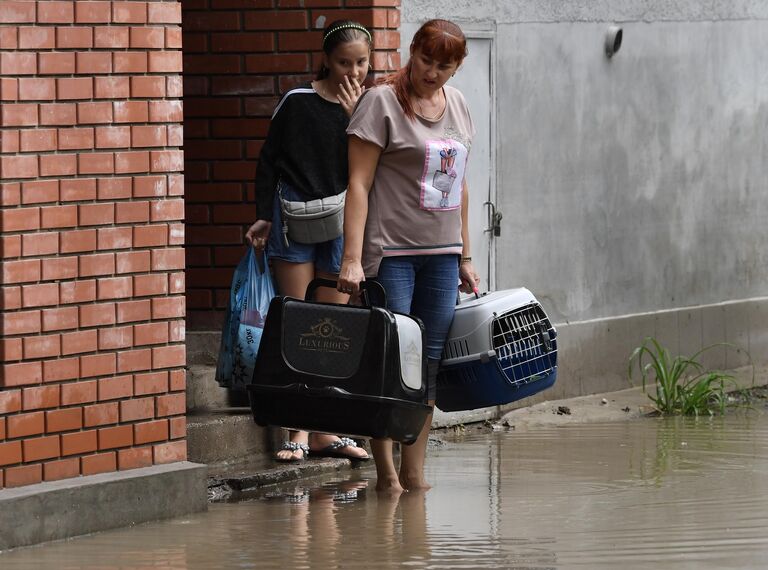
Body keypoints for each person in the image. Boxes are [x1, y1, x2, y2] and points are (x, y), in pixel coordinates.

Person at [337, 19, 480, 493]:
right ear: (411, 51)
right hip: (390, 253)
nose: (432, 72)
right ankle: (387, 475)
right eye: (425, 60)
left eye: (444, 65)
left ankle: (415, 476)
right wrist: (351, 260)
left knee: (429, 364)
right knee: (394, 360)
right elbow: (357, 184)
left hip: (441, 254)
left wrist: (465, 255)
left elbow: (458, 185)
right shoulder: (380, 102)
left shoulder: (457, 106)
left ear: (457, 68)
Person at [245, 20, 373, 463]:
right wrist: (263, 214)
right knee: (297, 323)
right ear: (325, 59)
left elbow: (370, 168)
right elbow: (269, 159)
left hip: (341, 223)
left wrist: (355, 116)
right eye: (343, 62)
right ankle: (295, 431)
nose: (352, 72)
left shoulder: (369, 105)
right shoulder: (297, 101)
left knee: (332, 331)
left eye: (361, 62)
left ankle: (325, 430)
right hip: (293, 217)